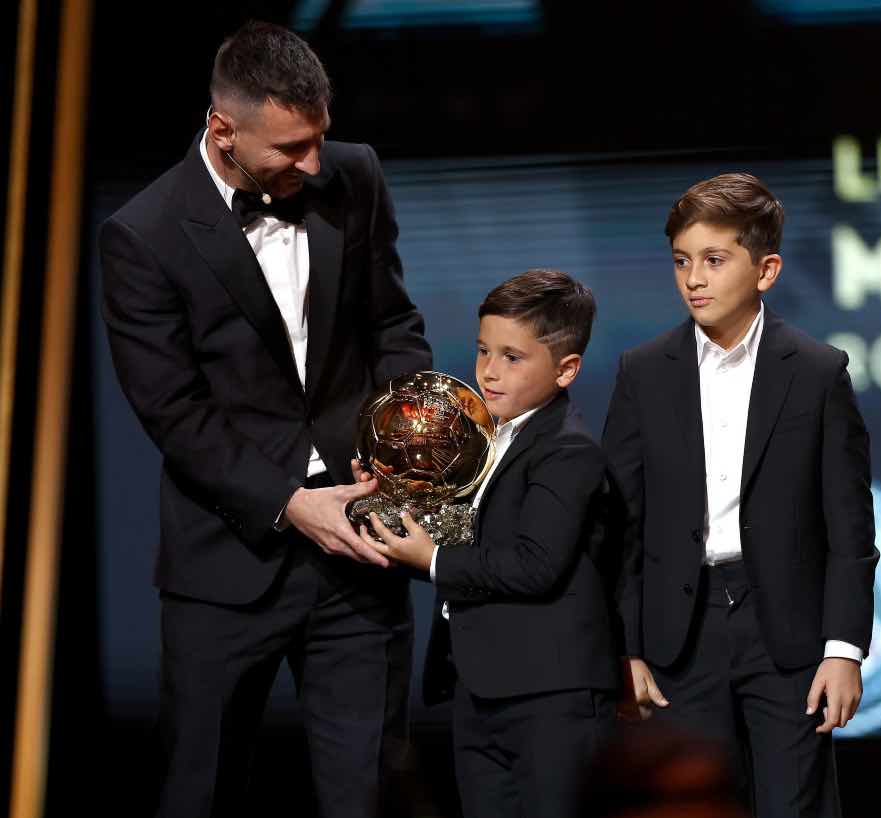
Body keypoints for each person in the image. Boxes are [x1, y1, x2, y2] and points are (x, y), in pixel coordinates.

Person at [99, 20, 431, 818]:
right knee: (200, 792)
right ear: (223, 129)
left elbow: (392, 324)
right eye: (288, 148)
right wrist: (289, 502)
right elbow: (174, 412)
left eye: (319, 138)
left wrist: (401, 444)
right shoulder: (141, 236)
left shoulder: (356, 176)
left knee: (371, 793)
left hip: (362, 552)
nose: (311, 163)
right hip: (228, 566)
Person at [602, 173, 879, 817]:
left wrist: (843, 650)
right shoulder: (642, 372)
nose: (693, 278)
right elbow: (622, 523)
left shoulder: (817, 371)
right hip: (680, 632)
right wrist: (626, 646)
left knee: (794, 805)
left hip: (785, 634)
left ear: (767, 269)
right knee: (688, 801)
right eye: (681, 261)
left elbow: (849, 528)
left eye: (714, 260)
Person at [362, 269, 622, 818]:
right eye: (483, 350)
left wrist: (431, 560)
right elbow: (463, 542)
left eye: (512, 357)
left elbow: (535, 564)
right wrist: (383, 505)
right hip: (480, 692)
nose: (488, 371)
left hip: (552, 698)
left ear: (567, 369)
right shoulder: (481, 444)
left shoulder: (568, 451)